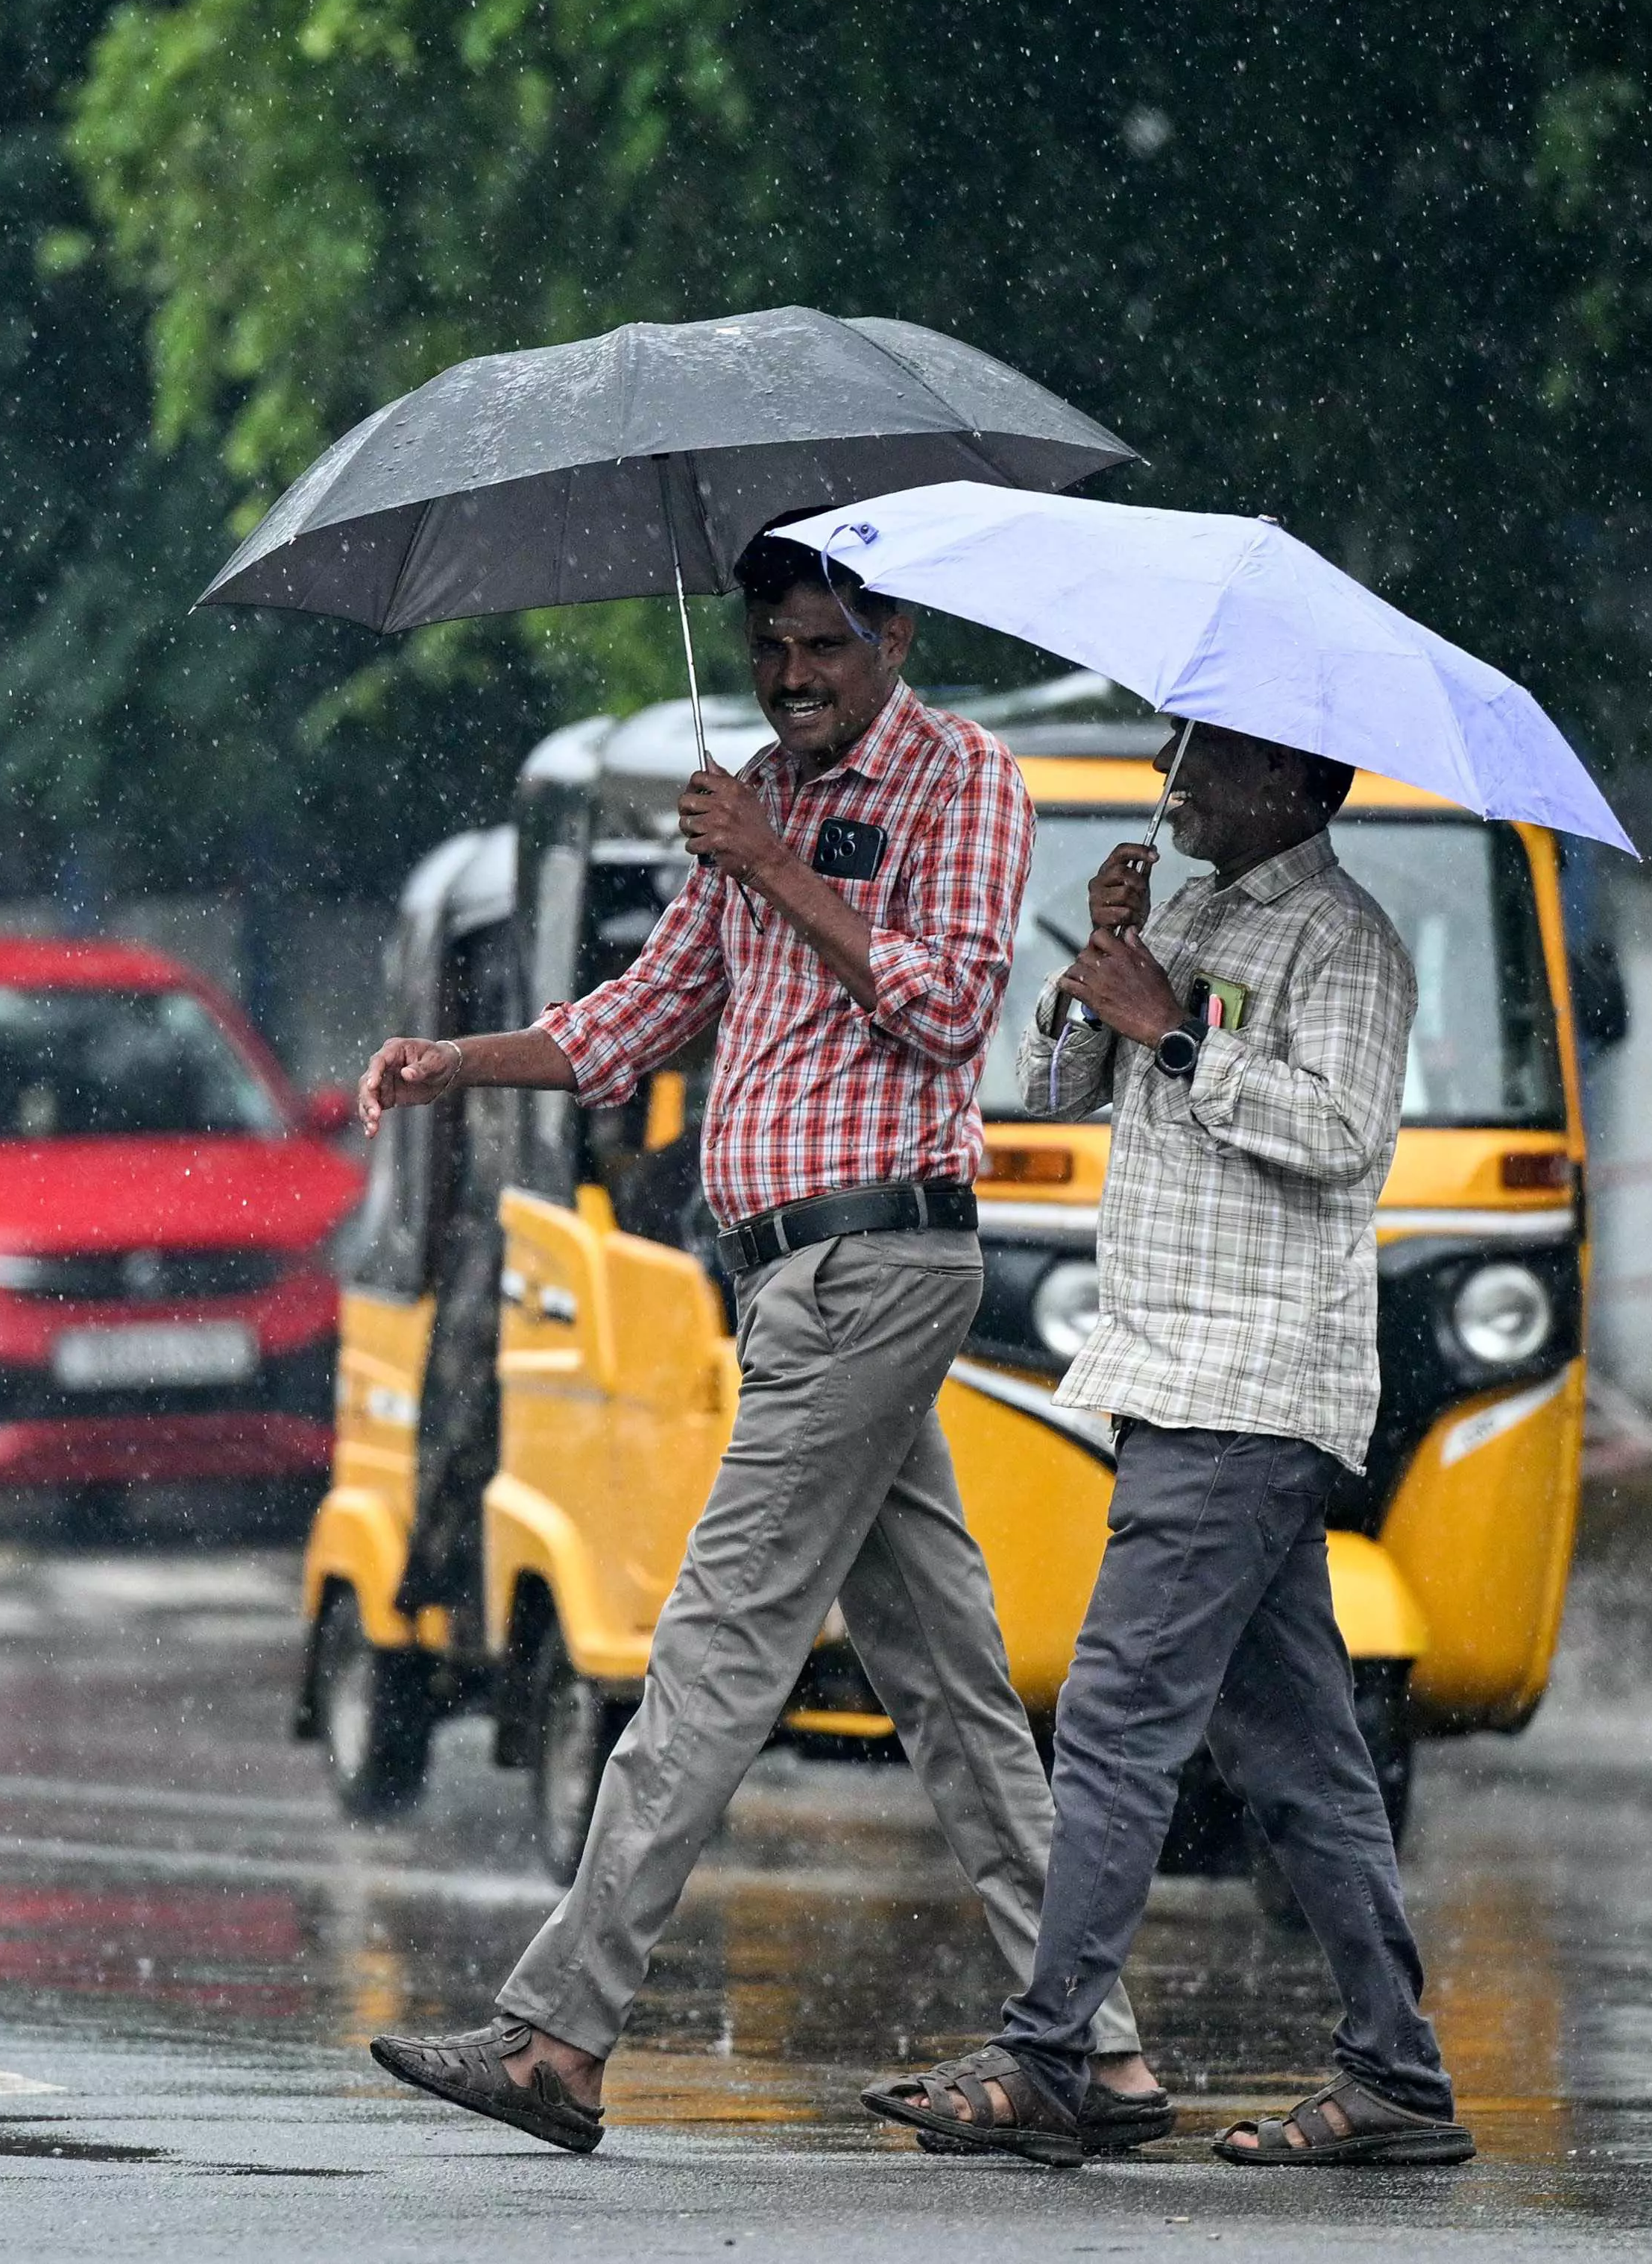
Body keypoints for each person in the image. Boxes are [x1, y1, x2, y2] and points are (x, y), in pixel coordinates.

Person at [353, 532, 1156, 2155]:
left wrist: (780, 865)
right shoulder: (752, 800)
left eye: (824, 651)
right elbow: (634, 1014)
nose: (794, 680)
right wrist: (460, 1060)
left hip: (880, 1262)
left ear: (892, 635)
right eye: (775, 650)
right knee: (949, 1682)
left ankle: (558, 2033)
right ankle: (1094, 2045)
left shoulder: (970, 784)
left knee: (713, 1650)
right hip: (787, 1282)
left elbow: (944, 1011)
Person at [861, 717, 1474, 2169]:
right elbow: (1063, 1087)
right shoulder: (1189, 909)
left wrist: (1177, 1027)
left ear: (1296, 784)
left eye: (1204, 760)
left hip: (1245, 1387)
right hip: (1172, 1371)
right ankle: (1394, 2069)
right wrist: (1105, 972)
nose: (1171, 783)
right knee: (1302, 1754)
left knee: (1120, 1721)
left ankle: (1050, 2047)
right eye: (1173, 755)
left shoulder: (1348, 942)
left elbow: (1341, 1135)